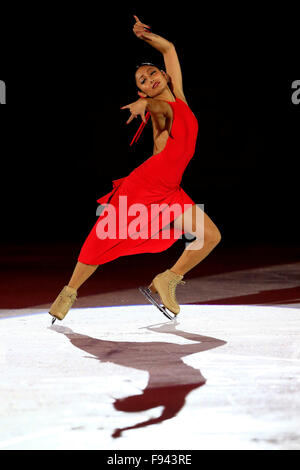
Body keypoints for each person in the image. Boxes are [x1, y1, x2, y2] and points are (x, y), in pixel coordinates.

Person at [49, 15, 221, 323]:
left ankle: (167, 279)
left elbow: (169, 50)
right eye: (142, 81)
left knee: (209, 236)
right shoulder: (161, 108)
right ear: (142, 93)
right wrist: (146, 106)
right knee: (103, 239)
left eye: (152, 73)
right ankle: (69, 291)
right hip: (144, 186)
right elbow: (160, 109)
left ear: (166, 76)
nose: (149, 79)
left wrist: (145, 36)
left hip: (169, 191)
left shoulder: (178, 98)